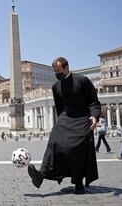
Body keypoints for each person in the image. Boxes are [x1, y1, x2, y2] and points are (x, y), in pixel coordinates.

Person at [27, 57, 101, 194]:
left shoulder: (83, 80)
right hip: (66, 118)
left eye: (59, 70)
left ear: (66, 68)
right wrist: (61, 123)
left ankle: (78, 182)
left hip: (82, 118)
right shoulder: (56, 86)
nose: (57, 73)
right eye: (55, 71)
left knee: (77, 149)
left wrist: (95, 116)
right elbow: (59, 106)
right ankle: (41, 175)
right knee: (54, 143)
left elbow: (93, 100)